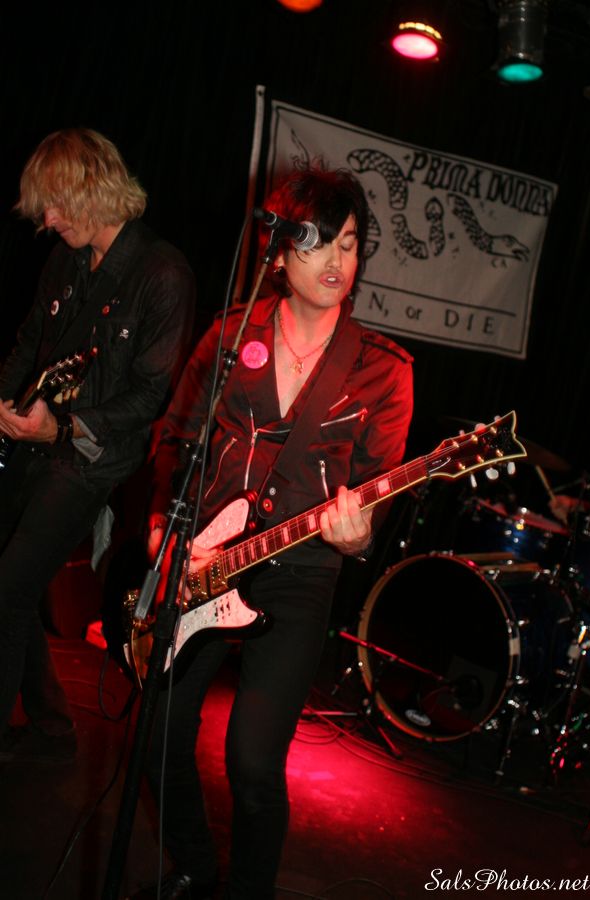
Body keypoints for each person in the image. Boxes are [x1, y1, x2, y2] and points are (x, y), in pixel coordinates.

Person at [134, 166, 413, 899]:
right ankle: (193, 864)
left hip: (299, 575)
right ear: (280, 251)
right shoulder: (231, 335)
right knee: (155, 733)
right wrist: (163, 528)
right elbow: (177, 435)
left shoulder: (384, 372)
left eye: (349, 243)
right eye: (318, 241)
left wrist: (356, 539)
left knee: (253, 764)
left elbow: (377, 491)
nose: (337, 260)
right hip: (203, 561)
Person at [0, 128, 196, 762]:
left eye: (57, 205)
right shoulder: (66, 259)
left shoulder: (162, 272)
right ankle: (53, 725)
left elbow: (149, 398)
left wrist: (61, 428)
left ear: (95, 189)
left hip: (91, 460)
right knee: (13, 583)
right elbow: (31, 342)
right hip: (34, 439)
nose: (49, 221)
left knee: (8, 588)